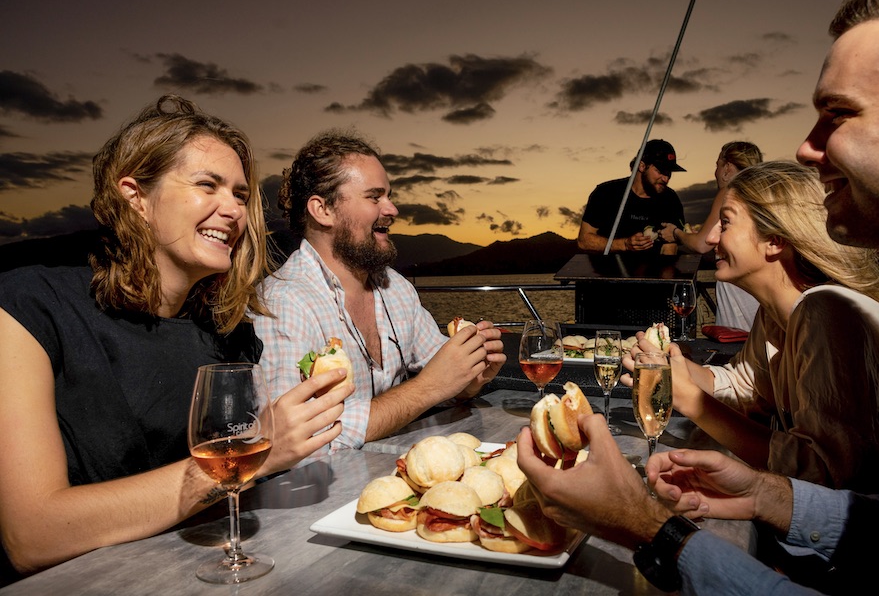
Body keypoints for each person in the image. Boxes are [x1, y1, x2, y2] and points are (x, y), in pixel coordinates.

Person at [517, 0, 879, 593]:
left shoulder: (845, 313)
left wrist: (647, 526)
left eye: (839, 113)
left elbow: (841, 480)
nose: (805, 145)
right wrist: (766, 494)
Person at [0, 95, 351, 584]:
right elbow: (32, 536)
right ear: (134, 196)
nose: (233, 210)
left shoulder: (231, 337)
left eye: (239, 194)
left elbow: (231, 499)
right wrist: (254, 453)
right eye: (208, 185)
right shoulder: (31, 307)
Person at [640, 160, 879, 493]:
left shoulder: (827, 311)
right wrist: (672, 370)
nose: (712, 236)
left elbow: (827, 471)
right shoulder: (775, 313)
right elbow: (746, 387)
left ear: (774, 240)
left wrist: (693, 402)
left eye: (725, 223)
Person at [253, 129, 506, 452]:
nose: (392, 209)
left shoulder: (394, 287)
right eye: (375, 197)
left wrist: (473, 374)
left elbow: (447, 380)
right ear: (323, 210)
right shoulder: (283, 303)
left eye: (388, 195)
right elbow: (293, 442)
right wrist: (428, 388)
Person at [665, 141, 763, 331]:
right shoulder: (758, 193)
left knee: (735, 345)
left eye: (717, 165)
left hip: (738, 287)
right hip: (756, 288)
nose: (716, 172)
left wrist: (676, 233)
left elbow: (702, 244)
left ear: (727, 167)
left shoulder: (730, 191)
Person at [577, 139, 686, 255]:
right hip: (607, 271)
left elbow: (670, 247)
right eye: (660, 171)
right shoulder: (605, 193)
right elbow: (583, 241)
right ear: (642, 166)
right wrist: (624, 244)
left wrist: (663, 272)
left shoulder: (670, 200)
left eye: (669, 172)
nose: (666, 179)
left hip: (653, 272)